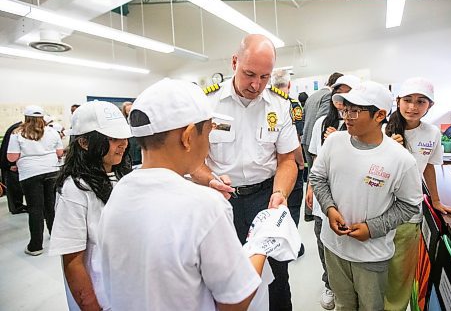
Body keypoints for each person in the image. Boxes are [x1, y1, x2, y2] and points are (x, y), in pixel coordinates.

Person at [98, 79, 266, 311]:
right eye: (208, 133)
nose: (208, 143)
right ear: (188, 137)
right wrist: (261, 246)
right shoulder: (205, 206)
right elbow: (235, 301)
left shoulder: (120, 193)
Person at [191, 34, 299, 311]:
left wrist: (280, 193)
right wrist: (210, 180)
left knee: (276, 275)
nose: (256, 84)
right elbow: (193, 162)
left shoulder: (280, 105)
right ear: (234, 62)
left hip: (264, 199)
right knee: (223, 276)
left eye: (265, 77)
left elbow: (287, 160)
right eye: (249, 74)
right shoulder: (207, 103)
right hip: (219, 201)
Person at [309, 81, 422, 310]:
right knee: (343, 304)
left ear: (379, 115)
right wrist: (330, 209)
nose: (347, 116)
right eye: (345, 110)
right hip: (334, 247)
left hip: (372, 255)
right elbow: (318, 178)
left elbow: (409, 206)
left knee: (371, 306)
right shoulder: (333, 142)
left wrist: (373, 228)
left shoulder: (400, 159)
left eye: (355, 111)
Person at [384, 77, 451, 311]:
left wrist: (437, 201)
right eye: (407, 100)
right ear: (398, 101)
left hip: (409, 211)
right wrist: (389, 150)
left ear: (430, 106)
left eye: (421, 101)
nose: (413, 106)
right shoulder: (382, 130)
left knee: (401, 269)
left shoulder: (431, 133)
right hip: (376, 209)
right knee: (375, 265)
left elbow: (429, 166)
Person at [49, 101, 132, 311]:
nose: (123, 143)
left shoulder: (121, 174)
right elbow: (72, 260)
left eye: (123, 137)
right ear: (84, 142)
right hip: (102, 298)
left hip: (126, 291)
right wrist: (92, 306)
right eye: (113, 139)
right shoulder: (75, 190)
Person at [305, 74, 360, 310]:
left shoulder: (363, 124)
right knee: (322, 240)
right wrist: (309, 185)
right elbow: (316, 160)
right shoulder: (321, 124)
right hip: (322, 195)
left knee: (350, 242)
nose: (343, 102)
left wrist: (342, 139)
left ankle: (353, 288)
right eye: (339, 95)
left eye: (349, 94)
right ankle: (329, 284)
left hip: (351, 197)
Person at [7, 105, 64, 255]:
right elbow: (60, 152)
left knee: (35, 208)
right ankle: (56, 235)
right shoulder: (52, 131)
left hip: (30, 174)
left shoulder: (17, 133)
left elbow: (11, 157)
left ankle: (36, 246)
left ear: (26, 118)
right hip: (52, 170)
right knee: (50, 205)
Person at [301, 72, 343, 221]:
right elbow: (325, 118)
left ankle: (309, 211)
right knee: (317, 174)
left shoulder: (312, 96)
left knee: (315, 172)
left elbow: (304, 117)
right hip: (318, 140)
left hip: (308, 139)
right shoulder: (326, 98)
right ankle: (312, 209)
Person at [270, 69, 305, 228]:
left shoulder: (267, 102)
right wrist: (301, 163)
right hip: (289, 163)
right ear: (289, 84)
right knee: (292, 205)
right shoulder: (292, 104)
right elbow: (295, 139)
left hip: (270, 169)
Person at [0, 121, 26, 214]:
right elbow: (9, 149)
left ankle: (17, 205)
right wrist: (10, 164)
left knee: (16, 186)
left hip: (11, 163)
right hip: (10, 165)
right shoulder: (16, 130)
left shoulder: (17, 128)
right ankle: (16, 207)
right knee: (13, 186)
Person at [121, 101, 142, 166]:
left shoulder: (140, 120)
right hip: (130, 145)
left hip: (138, 144)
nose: (131, 113)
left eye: (132, 110)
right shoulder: (123, 122)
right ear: (125, 112)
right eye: (128, 111)